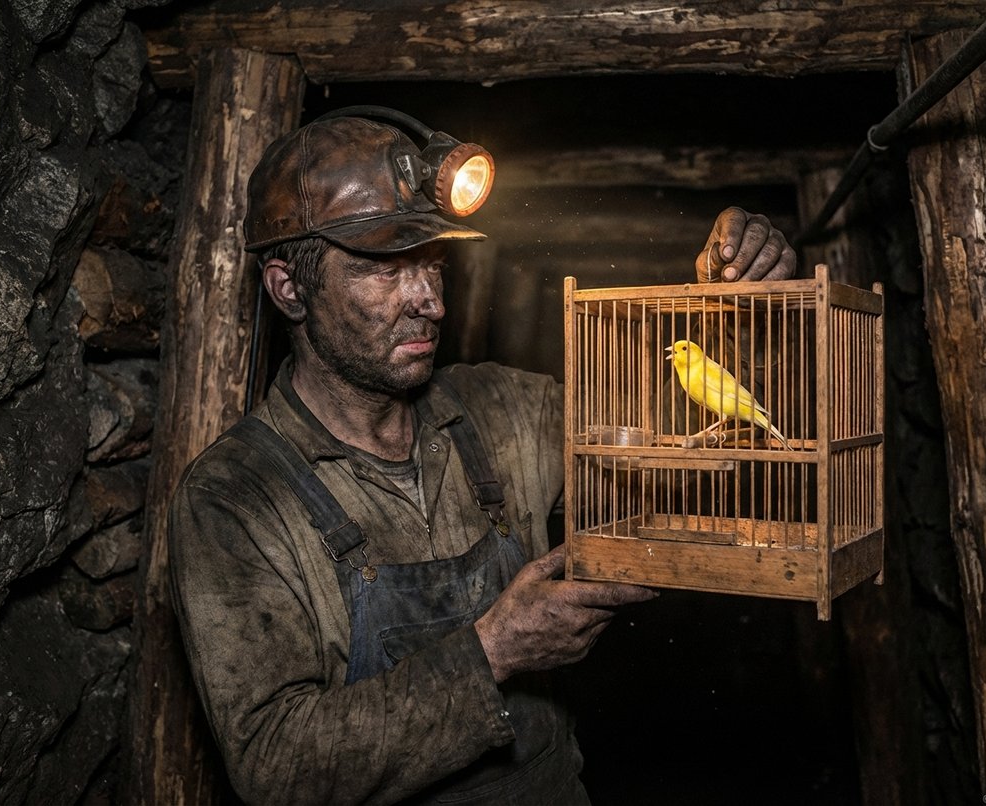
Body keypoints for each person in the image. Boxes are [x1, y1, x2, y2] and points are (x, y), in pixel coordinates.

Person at [168, 110, 796, 806]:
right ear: (289, 289)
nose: (429, 302)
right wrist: (492, 653)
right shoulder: (233, 496)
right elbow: (275, 765)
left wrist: (739, 315)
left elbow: (680, 439)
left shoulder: (503, 409)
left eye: (432, 265)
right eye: (383, 270)